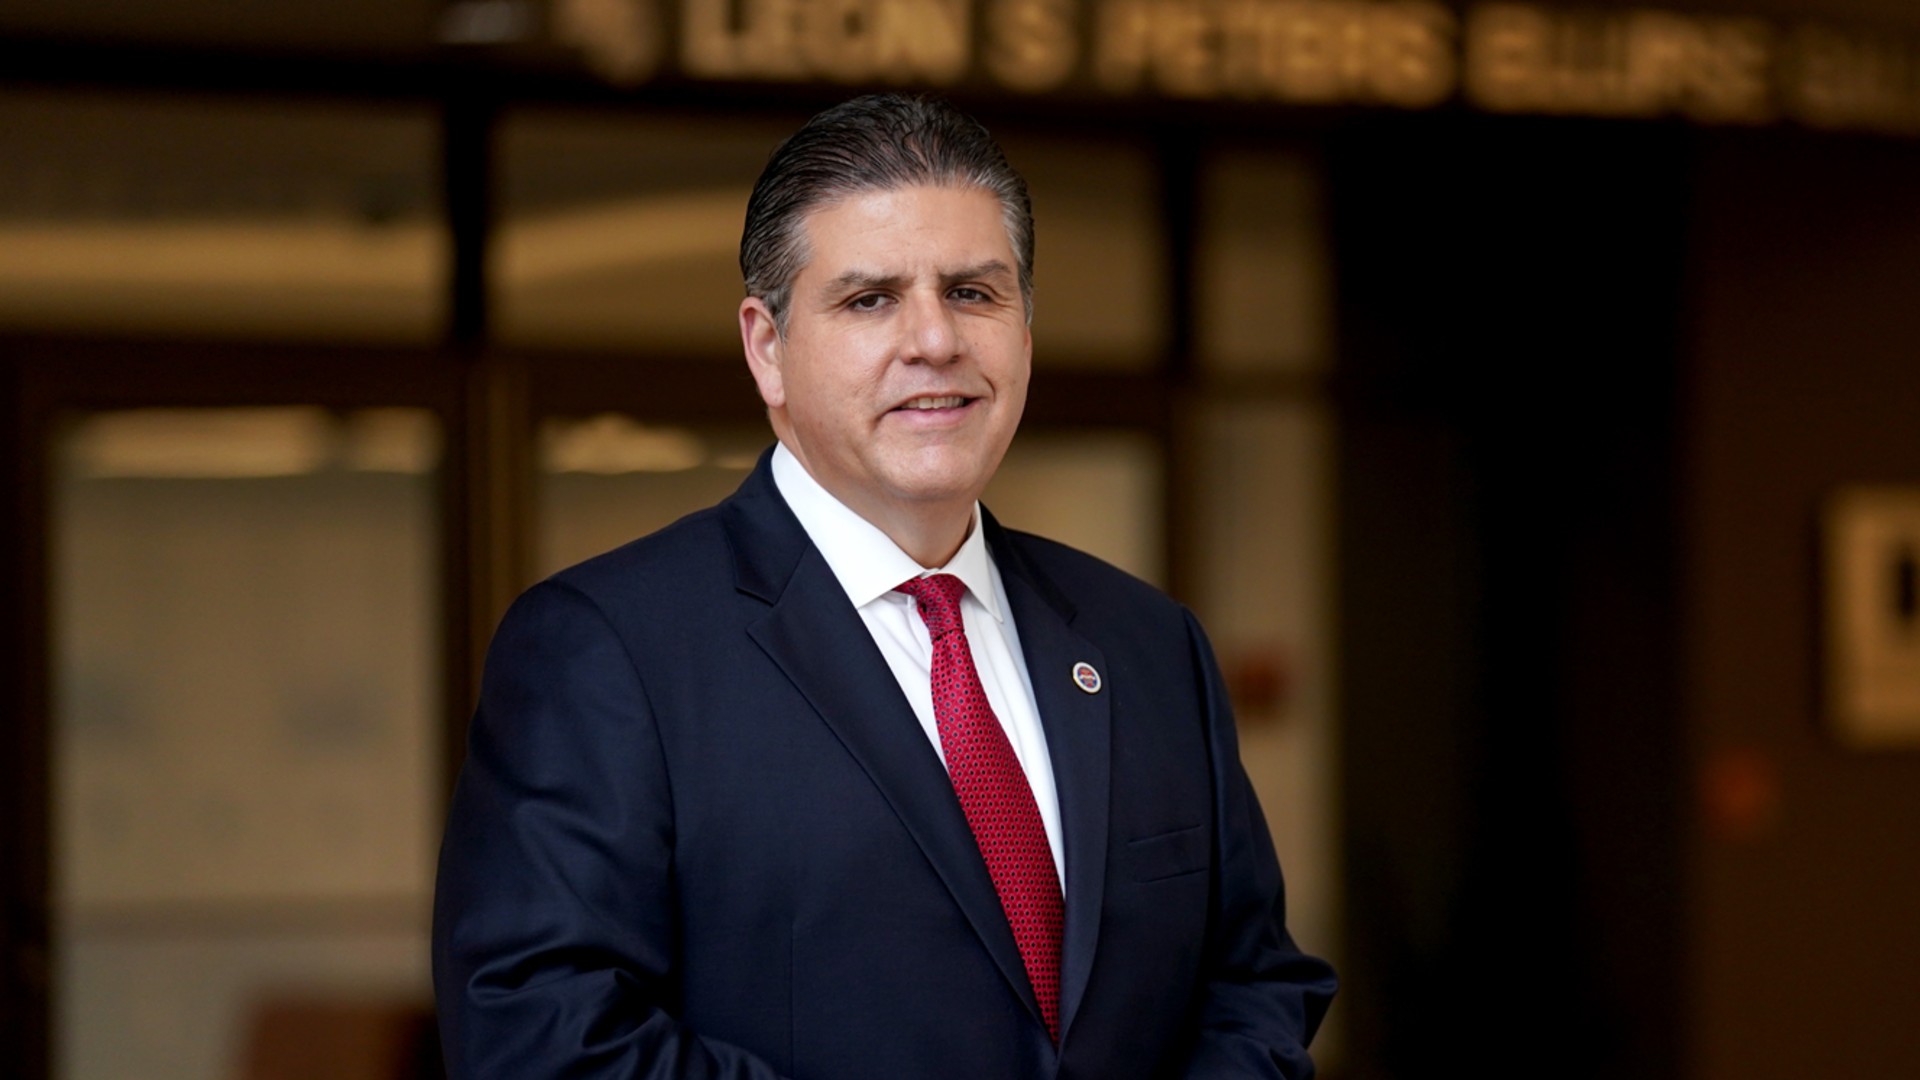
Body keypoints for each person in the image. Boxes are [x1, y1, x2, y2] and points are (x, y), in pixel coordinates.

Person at [432, 93, 1336, 1079]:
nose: (935, 342)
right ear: (766, 347)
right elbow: (543, 1036)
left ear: (1025, 331)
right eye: (870, 299)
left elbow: (1253, 985)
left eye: (974, 293)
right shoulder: (608, 650)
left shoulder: (1147, 644)